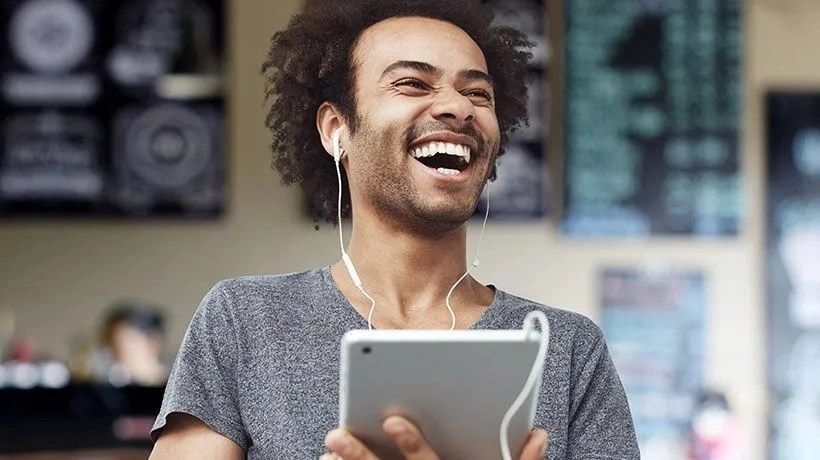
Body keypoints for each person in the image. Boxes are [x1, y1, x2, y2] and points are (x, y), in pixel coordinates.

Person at [149, 1, 639, 458]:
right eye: (412, 84)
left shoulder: (568, 349)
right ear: (336, 129)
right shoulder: (242, 321)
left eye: (477, 93)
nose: (458, 108)